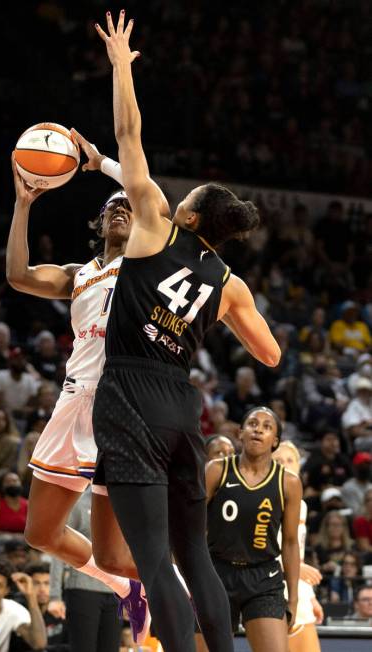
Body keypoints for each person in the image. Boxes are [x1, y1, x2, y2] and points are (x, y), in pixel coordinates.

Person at [92, 13, 280, 652]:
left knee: (152, 560)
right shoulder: (230, 283)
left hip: (130, 392)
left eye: (184, 196)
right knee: (194, 553)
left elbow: (127, 132)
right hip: (182, 401)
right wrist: (216, 313)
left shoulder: (154, 224)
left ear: (190, 213)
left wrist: (121, 63)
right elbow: (271, 353)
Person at [6, 133, 150, 644]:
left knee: (118, 543)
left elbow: (150, 194)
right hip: (73, 398)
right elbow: (19, 275)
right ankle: (124, 588)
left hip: (121, 405)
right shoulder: (79, 273)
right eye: (112, 206)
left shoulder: (147, 265)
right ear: (98, 223)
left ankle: (173, 585)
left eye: (126, 207)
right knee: (39, 533)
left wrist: (109, 169)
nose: (119, 210)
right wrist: (24, 205)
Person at [202, 407, 301, 652]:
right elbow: (190, 526)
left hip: (263, 579)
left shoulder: (288, 482)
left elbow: (290, 542)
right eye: (253, 424)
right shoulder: (216, 470)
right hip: (216, 573)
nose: (258, 429)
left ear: (275, 441)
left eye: (267, 427)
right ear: (240, 433)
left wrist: (294, 598)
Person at [49, 489, 122, 652]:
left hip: (117, 592)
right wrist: (54, 595)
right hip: (83, 588)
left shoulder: (125, 504)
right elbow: (58, 547)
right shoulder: (78, 502)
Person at [273, 441, 323, 652]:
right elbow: (257, 551)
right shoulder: (263, 500)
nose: (285, 465)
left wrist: (310, 596)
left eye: (290, 460)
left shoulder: (299, 504)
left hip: (296, 588)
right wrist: (295, 569)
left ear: (298, 467)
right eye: (278, 460)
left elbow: (298, 554)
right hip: (271, 588)